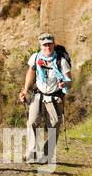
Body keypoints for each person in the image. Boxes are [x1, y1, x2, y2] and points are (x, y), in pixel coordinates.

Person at [20, 32, 72, 164]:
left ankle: (47, 154)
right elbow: (31, 73)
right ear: (40, 45)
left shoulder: (62, 61)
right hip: (38, 94)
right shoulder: (36, 57)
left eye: (49, 44)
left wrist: (64, 83)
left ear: (53, 44)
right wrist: (25, 90)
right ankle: (32, 152)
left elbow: (69, 81)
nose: (47, 47)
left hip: (55, 96)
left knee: (54, 125)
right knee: (32, 122)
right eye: (44, 45)